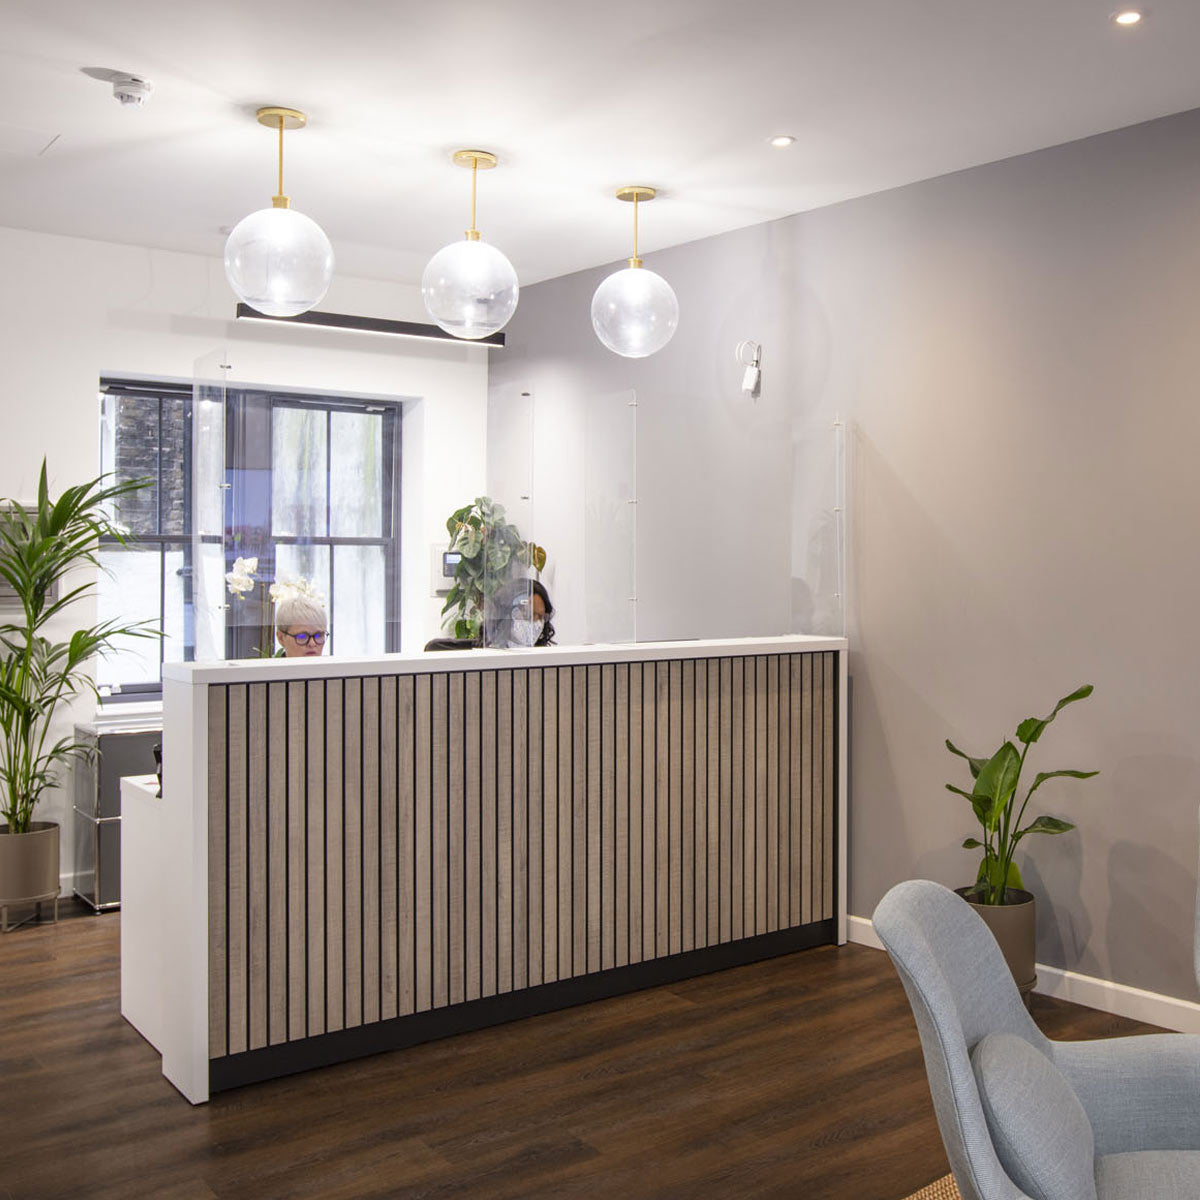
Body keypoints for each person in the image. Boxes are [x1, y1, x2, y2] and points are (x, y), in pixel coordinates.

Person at [484, 578, 556, 648]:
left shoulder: (545, 656)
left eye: (541, 616)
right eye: (529, 614)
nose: (537, 623)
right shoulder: (488, 655)